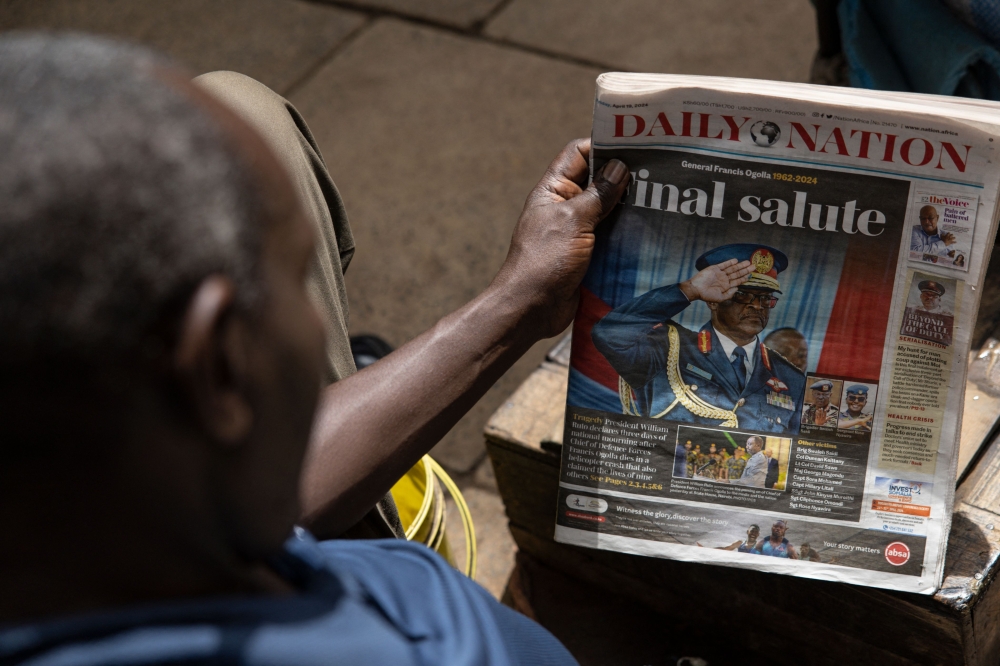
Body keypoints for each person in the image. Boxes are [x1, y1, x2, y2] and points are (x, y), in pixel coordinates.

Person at [0, 35, 634, 665]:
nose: (317, 306)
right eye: (296, 273)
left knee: (237, 105)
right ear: (218, 368)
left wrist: (522, 300)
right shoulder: (443, 642)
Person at [592, 243, 805, 433]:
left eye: (765, 298)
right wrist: (690, 290)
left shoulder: (791, 379)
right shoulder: (666, 348)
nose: (757, 306)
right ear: (713, 301)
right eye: (742, 294)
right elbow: (608, 333)